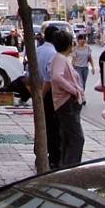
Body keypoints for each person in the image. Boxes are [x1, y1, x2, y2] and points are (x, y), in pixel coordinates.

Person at [50, 29, 86, 167]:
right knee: (77, 138)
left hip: (68, 103)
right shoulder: (60, 58)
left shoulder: (61, 58)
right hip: (66, 103)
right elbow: (57, 77)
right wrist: (73, 91)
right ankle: (71, 167)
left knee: (68, 137)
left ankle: (65, 166)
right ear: (69, 45)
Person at [35, 25, 62, 169]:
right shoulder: (54, 54)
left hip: (40, 92)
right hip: (49, 94)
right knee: (53, 128)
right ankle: (53, 158)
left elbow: (30, 74)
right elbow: (49, 79)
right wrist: (42, 95)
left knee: (42, 125)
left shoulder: (37, 51)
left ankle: (40, 155)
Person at [71, 32, 94, 98]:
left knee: (83, 83)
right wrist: (71, 68)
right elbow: (73, 59)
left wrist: (92, 67)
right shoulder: (75, 48)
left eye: (84, 39)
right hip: (77, 68)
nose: (82, 40)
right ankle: (81, 97)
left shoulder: (88, 48)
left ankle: (81, 95)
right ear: (78, 40)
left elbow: (90, 58)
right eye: (81, 39)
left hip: (85, 68)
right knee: (80, 83)